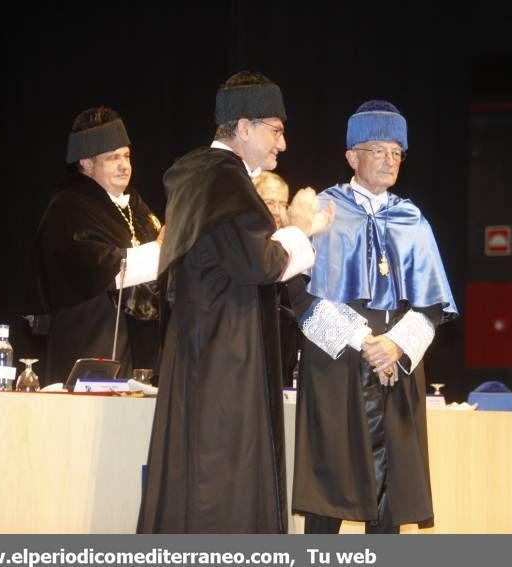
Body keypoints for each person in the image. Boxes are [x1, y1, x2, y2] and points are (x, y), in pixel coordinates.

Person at [137, 71, 333, 534]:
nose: (282, 144)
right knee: (221, 484)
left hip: (207, 352)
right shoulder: (223, 181)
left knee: (197, 479)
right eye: (277, 130)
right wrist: (301, 227)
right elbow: (260, 265)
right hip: (226, 359)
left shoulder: (204, 176)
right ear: (243, 127)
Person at [292, 100, 458, 533]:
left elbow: (431, 304)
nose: (389, 161)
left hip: (395, 362)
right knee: (329, 486)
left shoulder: (412, 218)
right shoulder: (321, 210)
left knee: (392, 493)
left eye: (397, 153)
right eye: (378, 150)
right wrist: (364, 341)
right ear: (352, 157)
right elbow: (296, 290)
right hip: (337, 359)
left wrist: (396, 345)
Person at [25, 106, 164, 385]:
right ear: (87, 164)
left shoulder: (135, 206)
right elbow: (101, 266)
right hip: (89, 338)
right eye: (113, 158)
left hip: (138, 346)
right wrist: (162, 250)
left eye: (126, 155)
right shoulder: (69, 207)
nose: (124, 165)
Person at [253, 171, 302, 387]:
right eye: (269, 202)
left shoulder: (294, 244)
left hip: (285, 345)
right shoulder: (247, 242)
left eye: (282, 204)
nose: (276, 211)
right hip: (251, 343)